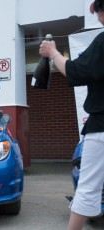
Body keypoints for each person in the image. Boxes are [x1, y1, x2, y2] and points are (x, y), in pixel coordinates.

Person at [39, 1, 104, 229]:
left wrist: (53, 52)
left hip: (101, 128)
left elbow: (76, 73)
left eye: (98, 10)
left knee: (87, 189)